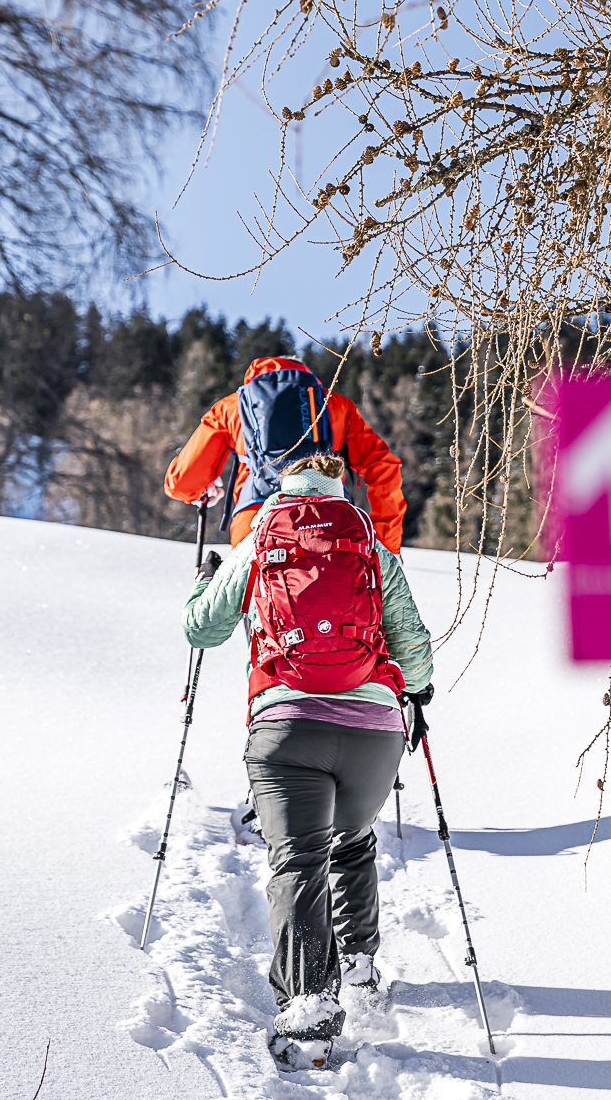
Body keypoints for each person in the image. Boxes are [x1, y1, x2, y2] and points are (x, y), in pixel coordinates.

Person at [182, 451, 435, 1069]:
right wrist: (414, 690)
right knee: (351, 841)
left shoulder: (264, 535)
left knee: (298, 858)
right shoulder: (370, 544)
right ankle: (360, 964)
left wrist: (203, 579)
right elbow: (417, 651)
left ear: (282, 485)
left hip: (287, 726)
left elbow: (202, 629)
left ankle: (309, 1015)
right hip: (373, 732)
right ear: (340, 486)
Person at [165, 355, 407, 553]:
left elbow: (181, 483)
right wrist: (386, 545)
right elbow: (383, 466)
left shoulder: (231, 407)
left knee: (255, 606)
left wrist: (204, 488)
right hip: (332, 528)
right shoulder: (335, 404)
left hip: (255, 531)